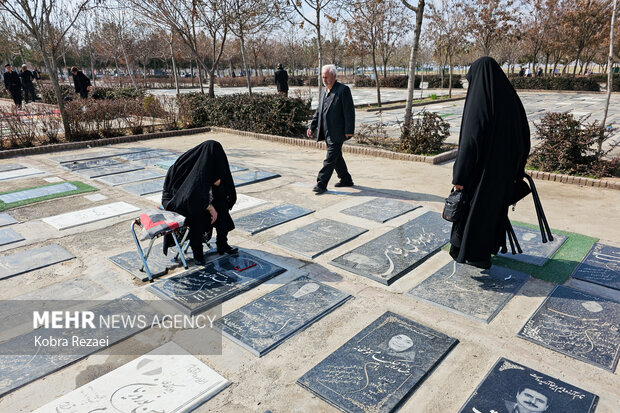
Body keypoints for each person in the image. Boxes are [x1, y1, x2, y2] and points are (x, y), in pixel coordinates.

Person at [449, 56, 530, 269]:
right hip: (504, 173)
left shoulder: (480, 100)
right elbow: (524, 136)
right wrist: (517, 170)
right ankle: (486, 252)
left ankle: (474, 256)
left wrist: (460, 177)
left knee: (475, 215)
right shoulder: (511, 99)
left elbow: (470, 142)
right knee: (492, 214)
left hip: (481, 174)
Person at [162, 140, 238, 265]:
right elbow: (190, 197)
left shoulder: (210, 166)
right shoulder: (191, 166)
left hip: (198, 199)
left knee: (222, 207)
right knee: (196, 215)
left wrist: (219, 185)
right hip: (177, 201)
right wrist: (210, 208)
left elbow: (224, 191)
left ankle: (222, 244)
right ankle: (198, 252)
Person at [307, 64, 355, 194]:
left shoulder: (343, 90)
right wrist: (312, 126)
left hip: (338, 132)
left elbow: (349, 111)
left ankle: (321, 184)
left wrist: (349, 130)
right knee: (336, 157)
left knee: (329, 159)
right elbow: (319, 111)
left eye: (326, 77)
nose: (324, 80)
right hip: (326, 131)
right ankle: (346, 179)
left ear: (334, 76)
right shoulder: (324, 91)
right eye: (322, 77)